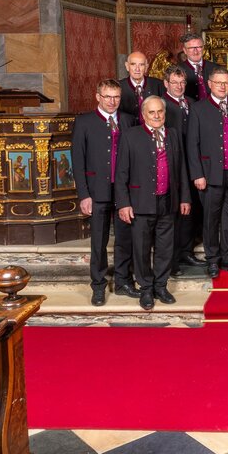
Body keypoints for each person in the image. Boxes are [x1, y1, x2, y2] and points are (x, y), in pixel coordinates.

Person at [115, 96, 191, 311]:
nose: (157, 116)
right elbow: (121, 174)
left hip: (168, 200)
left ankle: (161, 286)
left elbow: (181, 169)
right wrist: (123, 204)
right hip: (140, 203)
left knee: (166, 247)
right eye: (152, 112)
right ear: (143, 114)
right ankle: (146, 288)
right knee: (140, 248)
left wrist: (184, 197)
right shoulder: (131, 136)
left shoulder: (173, 135)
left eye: (160, 112)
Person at [72, 79, 138, 306]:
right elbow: (78, 161)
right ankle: (98, 285)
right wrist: (84, 195)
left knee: (124, 239)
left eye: (116, 97)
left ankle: (122, 281)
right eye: (108, 96)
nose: (112, 101)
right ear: (98, 96)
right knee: (98, 242)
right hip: (97, 191)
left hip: (123, 193)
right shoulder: (84, 122)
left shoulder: (129, 120)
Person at [187, 68, 228, 278]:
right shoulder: (198, 109)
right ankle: (212, 260)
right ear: (209, 84)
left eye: (226, 83)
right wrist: (198, 174)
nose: (223, 87)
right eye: (219, 83)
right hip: (210, 174)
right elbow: (192, 144)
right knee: (211, 220)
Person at [162, 66, 206, 272]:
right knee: (175, 213)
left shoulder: (193, 103)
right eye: (174, 83)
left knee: (191, 209)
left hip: (195, 163)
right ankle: (173, 257)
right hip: (173, 165)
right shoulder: (161, 105)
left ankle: (187, 252)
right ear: (166, 84)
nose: (179, 86)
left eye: (182, 83)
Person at [119, 51, 164, 124]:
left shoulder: (158, 85)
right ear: (127, 66)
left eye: (141, 65)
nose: (137, 69)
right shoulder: (118, 87)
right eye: (133, 64)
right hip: (127, 132)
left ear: (146, 67)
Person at [180, 33, 219, 101]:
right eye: (191, 48)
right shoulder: (177, 69)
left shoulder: (215, 68)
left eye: (198, 47)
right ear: (185, 50)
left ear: (203, 48)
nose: (195, 51)